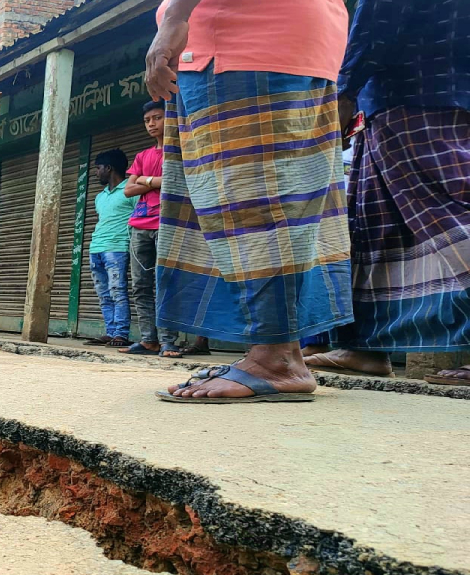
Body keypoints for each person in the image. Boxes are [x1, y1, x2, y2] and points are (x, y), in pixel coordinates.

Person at [146, 0, 353, 402]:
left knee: (251, 205)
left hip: (241, 45)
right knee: (278, 202)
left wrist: (174, 17)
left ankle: (276, 359)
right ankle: (274, 351)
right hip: (282, 43)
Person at [304, 0, 470, 386]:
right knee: (376, 231)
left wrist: (342, 94)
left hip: (419, 96)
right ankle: (364, 347)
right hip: (401, 101)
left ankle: (364, 347)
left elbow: (375, 26)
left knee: (450, 220)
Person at [119, 101, 182, 358]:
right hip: (139, 226)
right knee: (140, 286)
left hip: (168, 224)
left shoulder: (180, 152)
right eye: (147, 120)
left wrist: (143, 181)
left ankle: (169, 341)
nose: (151, 124)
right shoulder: (142, 156)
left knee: (166, 283)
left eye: (157, 118)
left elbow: (175, 182)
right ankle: (148, 340)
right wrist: (155, 181)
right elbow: (127, 190)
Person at [84, 149, 135, 348]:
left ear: (109, 168)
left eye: (98, 168)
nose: (97, 173)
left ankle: (121, 334)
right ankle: (111, 331)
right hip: (96, 248)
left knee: (117, 291)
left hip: (117, 248)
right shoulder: (100, 196)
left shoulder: (130, 190)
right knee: (103, 293)